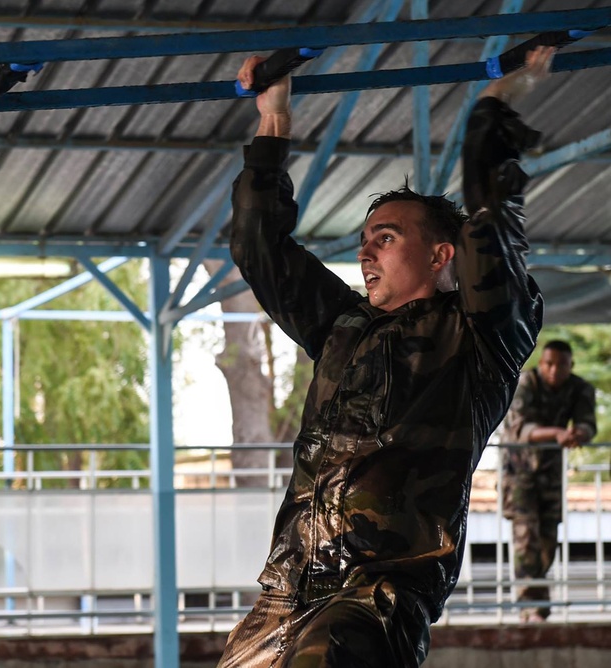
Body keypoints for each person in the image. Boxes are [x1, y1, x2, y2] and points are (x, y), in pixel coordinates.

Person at [217, 47, 553, 667]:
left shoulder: (481, 338)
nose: (366, 255)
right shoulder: (345, 326)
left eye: (386, 239)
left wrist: (499, 100)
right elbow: (257, 244)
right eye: (364, 242)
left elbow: (490, 221)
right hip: (289, 591)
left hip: (378, 595)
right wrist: (274, 120)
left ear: (441, 255)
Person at [500, 339, 596, 623]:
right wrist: (557, 433)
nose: (555, 370)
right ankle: (532, 608)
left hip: (551, 474)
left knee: (547, 541)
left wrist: (579, 433)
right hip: (520, 474)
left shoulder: (580, 389)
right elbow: (520, 429)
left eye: (562, 364)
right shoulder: (527, 384)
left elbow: (589, 423)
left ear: (571, 366)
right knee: (526, 538)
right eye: (549, 364)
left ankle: (537, 604)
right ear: (541, 364)